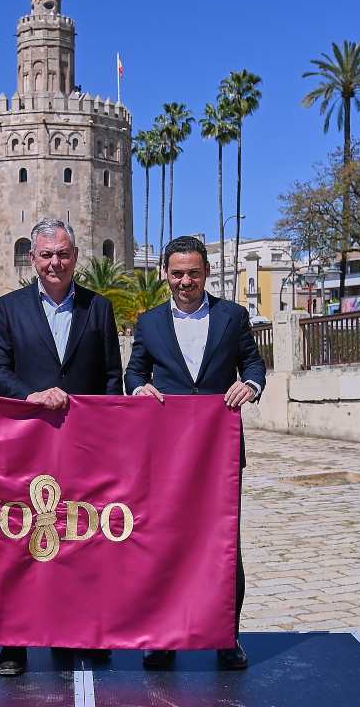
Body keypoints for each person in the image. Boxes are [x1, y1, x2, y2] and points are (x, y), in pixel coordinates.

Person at [0, 217, 123, 677]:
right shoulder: (9, 307)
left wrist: (100, 427)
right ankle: (14, 644)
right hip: (26, 442)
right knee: (20, 542)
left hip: (83, 446)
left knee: (81, 538)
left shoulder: (98, 308)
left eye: (63, 254)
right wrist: (30, 396)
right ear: (33, 258)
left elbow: (110, 377)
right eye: (46, 255)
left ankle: (78, 632)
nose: (54, 263)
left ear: (76, 258)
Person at [124, 235, 266, 672]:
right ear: (165, 274)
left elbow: (254, 364)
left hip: (218, 455)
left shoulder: (233, 316)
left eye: (194, 273)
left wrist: (252, 385)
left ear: (206, 273)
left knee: (223, 546)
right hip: (165, 456)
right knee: (163, 543)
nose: (185, 281)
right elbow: (134, 371)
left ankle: (226, 636)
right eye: (177, 273)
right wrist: (138, 388)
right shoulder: (149, 323)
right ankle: (162, 637)